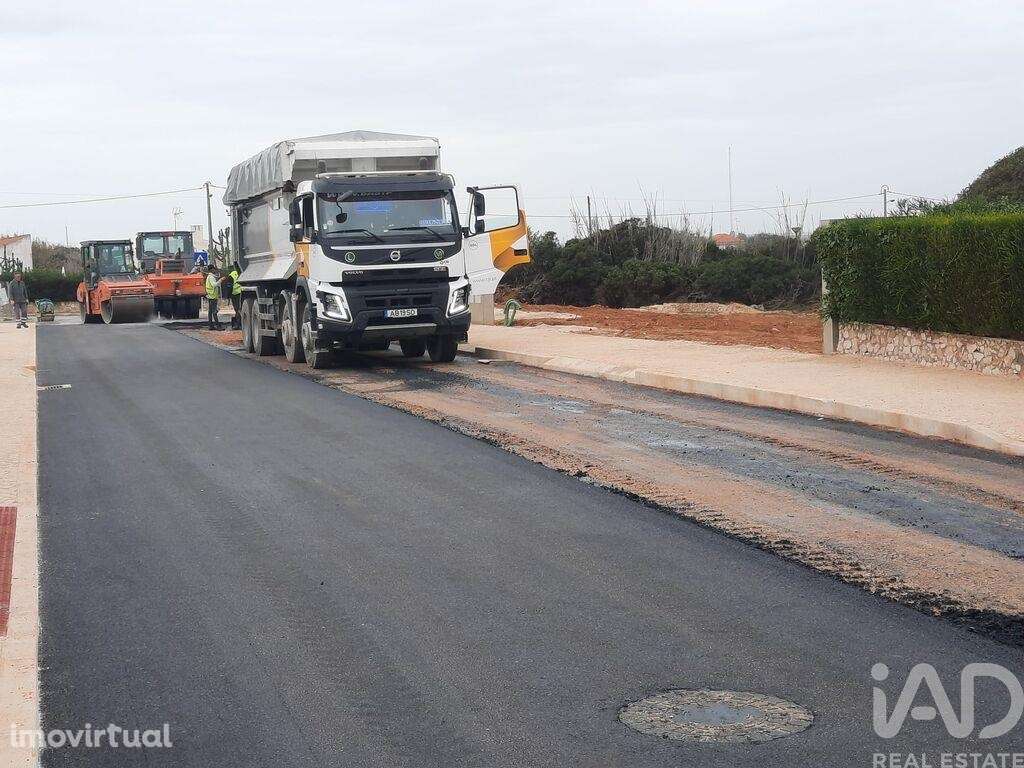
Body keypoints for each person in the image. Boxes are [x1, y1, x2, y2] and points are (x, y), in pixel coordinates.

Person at [205, 266, 223, 330]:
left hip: (210, 296)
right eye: (214, 269)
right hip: (213, 296)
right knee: (214, 311)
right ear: (212, 269)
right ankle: (218, 326)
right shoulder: (211, 277)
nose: (215, 270)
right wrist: (220, 280)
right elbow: (214, 285)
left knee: (210, 312)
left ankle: (211, 326)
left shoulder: (209, 277)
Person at [227, 263, 243, 329]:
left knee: (237, 310)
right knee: (240, 309)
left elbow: (229, 287)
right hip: (241, 292)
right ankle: (241, 324)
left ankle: (238, 325)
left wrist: (228, 297)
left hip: (235, 294)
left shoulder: (231, 276)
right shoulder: (239, 273)